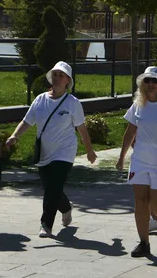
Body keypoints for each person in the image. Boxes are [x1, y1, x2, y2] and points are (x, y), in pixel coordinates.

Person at [6, 61, 97, 238]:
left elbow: (82, 129)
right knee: (50, 187)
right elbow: (27, 121)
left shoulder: (72, 103)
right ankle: (66, 207)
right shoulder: (40, 100)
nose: (56, 78)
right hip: (44, 151)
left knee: (53, 185)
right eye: (54, 74)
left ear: (68, 81)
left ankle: (46, 225)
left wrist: (90, 150)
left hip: (65, 151)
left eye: (61, 75)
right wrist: (15, 135)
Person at [115, 66, 157, 256]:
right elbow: (130, 132)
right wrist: (121, 157)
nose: (151, 84)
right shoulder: (138, 105)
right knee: (140, 201)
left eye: (155, 81)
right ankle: (144, 243)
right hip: (140, 161)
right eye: (147, 81)